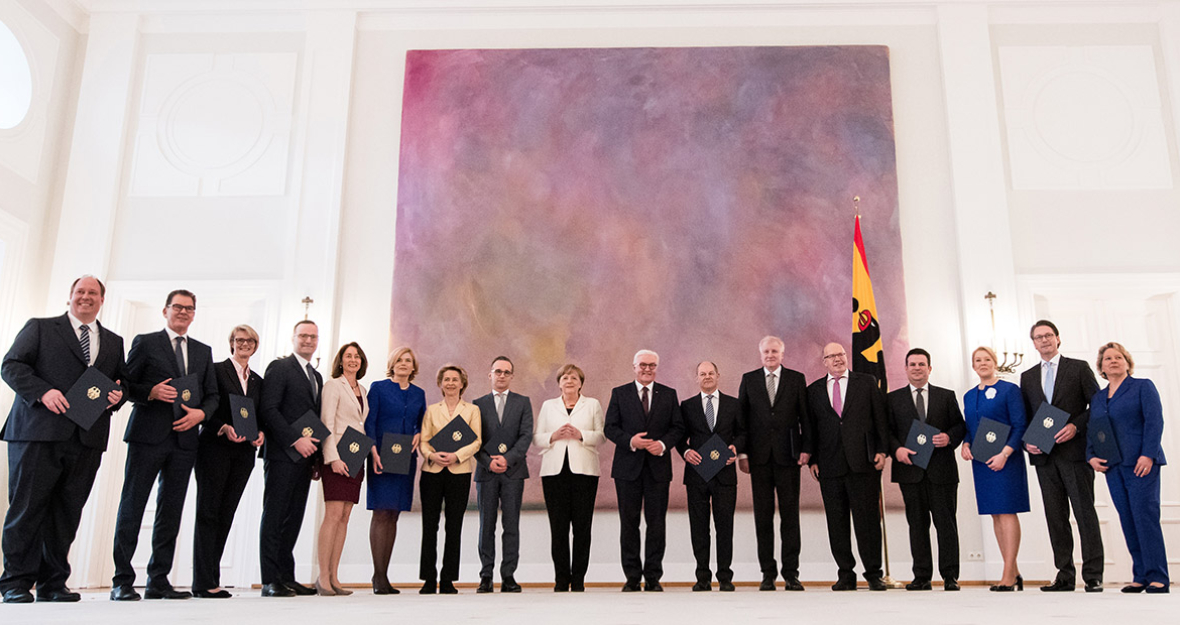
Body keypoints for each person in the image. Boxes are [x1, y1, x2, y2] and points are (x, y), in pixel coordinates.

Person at [0, 276, 126, 604]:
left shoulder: (114, 341)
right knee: (27, 509)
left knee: (67, 512)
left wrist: (118, 395)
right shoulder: (40, 328)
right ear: (70, 296)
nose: (86, 297)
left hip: (86, 436)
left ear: (102, 300)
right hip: (38, 434)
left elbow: (121, 382)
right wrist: (43, 392)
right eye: (80, 292)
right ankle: (15, 582)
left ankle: (53, 583)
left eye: (93, 293)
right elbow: (11, 366)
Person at [111, 289, 218, 601]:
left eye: (189, 308)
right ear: (166, 310)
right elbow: (125, 384)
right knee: (132, 507)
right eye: (178, 307)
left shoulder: (202, 351)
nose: (183, 312)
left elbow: (212, 395)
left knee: (170, 511)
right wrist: (151, 393)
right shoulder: (146, 342)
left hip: (185, 441)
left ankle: (158, 580)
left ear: (194, 314)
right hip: (148, 436)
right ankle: (122, 581)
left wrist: (201, 414)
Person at [1019, 320, 1103, 592]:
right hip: (1045, 458)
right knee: (1056, 517)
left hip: (1075, 454)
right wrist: (1026, 442)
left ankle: (1093, 576)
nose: (1043, 340)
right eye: (1038, 337)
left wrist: (1076, 426)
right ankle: (1065, 575)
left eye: (1048, 336)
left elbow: (1098, 405)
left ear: (1058, 339)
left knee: (1084, 514)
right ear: (1033, 343)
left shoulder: (1078, 368)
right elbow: (1026, 417)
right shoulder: (1028, 376)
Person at [806, 342, 889, 591]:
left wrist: (883, 450)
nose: (837, 359)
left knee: (868, 522)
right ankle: (845, 574)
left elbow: (880, 418)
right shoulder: (814, 391)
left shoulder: (866, 382)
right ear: (824, 362)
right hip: (829, 466)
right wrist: (812, 460)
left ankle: (874, 573)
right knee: (837, 522)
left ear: (846, 356)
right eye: (831, 356)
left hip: (864, 462)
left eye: (840, 354)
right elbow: (810, 429)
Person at [1087, 342, 1169, 594]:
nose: (1113, 361)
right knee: (1128, 518)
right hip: (1113, 467)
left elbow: (1154, 421)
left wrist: (1148, 455)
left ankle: (1158, 577)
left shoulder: (1142, 386)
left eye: (1118, 357)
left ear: (1127, 362)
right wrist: (1090, 456)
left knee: (1145, 517)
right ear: (1101, 366)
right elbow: (1094, 430)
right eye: (1108, 358)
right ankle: (1141, 575)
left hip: (1141, 464)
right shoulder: (1099, 397)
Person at [192, 324, 265, 598]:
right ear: (231, 343)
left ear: (255, 346)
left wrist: (260, 433)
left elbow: (259, 415)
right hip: (214, 448)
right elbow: (204, 406)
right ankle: (202, 582)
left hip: (244, 453)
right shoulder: (215, 370)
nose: (245, 344)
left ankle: (213, 576)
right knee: (208, 512)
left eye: (250, 340)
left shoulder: (257, 380)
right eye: (239, 339)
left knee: (226, 513)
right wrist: (222, 426)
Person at [604, 349, 684, 592]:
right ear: (634, 366)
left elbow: (678, 428)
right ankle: (631, 578)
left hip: (658, 469)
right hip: (627, 470)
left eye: (652, 365)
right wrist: (631, 441)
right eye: (643, 365)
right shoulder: (620, 393)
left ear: (657, 367)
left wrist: (662, 445)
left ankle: (652, 577)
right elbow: (610, 428)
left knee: (656, 523)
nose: (647, 369)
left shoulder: (668, 394)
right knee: (629, 524)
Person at [887, 348, 965, 591]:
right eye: (912, 364)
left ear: (930, 368)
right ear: (906, 368)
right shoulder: (893, 399)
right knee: (917, 525)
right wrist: (897, 450)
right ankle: (921, 576)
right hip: (910, 471)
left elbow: (960, 427)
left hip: (941, 471)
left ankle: (950, 576)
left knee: (946, 524)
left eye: (922, 364)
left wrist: (949, 437)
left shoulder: (946, 396)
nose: (917, 368)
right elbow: (886, 432)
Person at [736, 335, 810, 591]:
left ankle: (791, 574)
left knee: (790, 517)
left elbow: (806, 419)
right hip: (758, 459)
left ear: (782, 353)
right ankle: (768, 573)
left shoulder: (796, 379)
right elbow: (741, 421)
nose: (770, 355)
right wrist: (742, 454)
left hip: (789, 457)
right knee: (763, 517)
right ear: (760, 353)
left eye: (775, 351)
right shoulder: (749, 379)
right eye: (766, 351)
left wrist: (806, 449)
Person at [257, 320, 323, 597]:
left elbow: (316, 420)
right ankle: (270, 579)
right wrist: (295, 440)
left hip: (305, 460)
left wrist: (316, 459)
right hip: (283, 453)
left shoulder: (316, 376)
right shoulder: (280, 367)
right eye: (303, 335)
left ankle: (287, 576)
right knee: (275, 516)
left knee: (294, 517)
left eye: (313, 336)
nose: (308, 340)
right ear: (294, 338)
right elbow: (269, 409)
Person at [961, 345, 1028, 592]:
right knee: (995, 514)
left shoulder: (1009, 390)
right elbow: (970, 427)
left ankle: (1008, 574)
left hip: (1006, 460)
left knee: (1007, 511)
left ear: (995, 361)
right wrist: (966, 443)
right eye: (977, 360)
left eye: (986, 358)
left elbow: (1020, 425)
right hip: (982, 462)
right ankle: (1014, 571)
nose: (982, 363)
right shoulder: (969, 395)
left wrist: (1005, 454)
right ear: (973, 365)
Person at [533, 364, 604, 592]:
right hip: (554, 472)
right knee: (559, 528)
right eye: (565, 378)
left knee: (582, 528)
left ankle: (579, 579)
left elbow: (602, 436)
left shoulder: (591, 404)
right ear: (559, 383)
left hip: (584, 472)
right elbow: (537, 437)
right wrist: (553, 436)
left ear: (581, 383)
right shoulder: (548, 406)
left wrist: (580, 434)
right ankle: (561, 579)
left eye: (574, 378)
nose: (569, 381)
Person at [365, 347, 425, 594]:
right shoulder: (378, 388)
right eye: (399, 359)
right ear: (392, 363)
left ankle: (384, 576)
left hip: (405, 458)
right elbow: (369, 421)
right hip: (381, 455)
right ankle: (378, 577)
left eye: (408, 360)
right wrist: (373, 451)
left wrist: (419, 432)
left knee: (394, 514)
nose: (403, 363)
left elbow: (421, 420)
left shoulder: (419, 393)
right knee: (381, 512)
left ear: (413, 367)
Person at [471, 356, 533, 593]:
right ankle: (486, 575)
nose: (502, 375)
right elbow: (474, 440)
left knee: (511, 525)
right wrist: (488, 461)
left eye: (507, 372)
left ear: (512, 376)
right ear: (490, 375)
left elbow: (526, 436)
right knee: (486, 525)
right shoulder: (477, 404)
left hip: (513, 472)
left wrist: (507, 459)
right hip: (486, 473)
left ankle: (508, 576)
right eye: (498, 371)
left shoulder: (523, 402)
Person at [418, 365, 482, 594]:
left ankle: (447, 579)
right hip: (432, 472)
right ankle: (428, 578)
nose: (451, 383)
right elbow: (424, 441)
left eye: (455, 379)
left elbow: (476, 441)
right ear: (440, 383)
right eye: (446, 379)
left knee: (454, 527)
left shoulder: (472, 410)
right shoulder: (432, 410)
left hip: (459, 472)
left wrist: (457, 455)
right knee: (429, 526)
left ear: (462, 383)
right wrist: (431, 455)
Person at [676, 361, 740, 592]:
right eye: (702, 374)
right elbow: (679, 437)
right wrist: (685, 451)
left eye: (710, 373)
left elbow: (743, 433)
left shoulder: (734, 404)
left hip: (725, 474)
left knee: (725, 527)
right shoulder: (687, 406)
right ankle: (702, 576)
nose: (707, 377)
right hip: (697, 474)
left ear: (718, 375)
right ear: (697, 378)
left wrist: (736, 448)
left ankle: (725, 577)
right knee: (699, 527)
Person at [315, 342, 372, 596]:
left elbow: (360, 424)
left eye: (357, 356)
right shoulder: (333, 386)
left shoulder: (363, 389)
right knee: (333, 515)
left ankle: (335, 576)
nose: (353, 360)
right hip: (337, 457)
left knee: (345, 516)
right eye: (348, 356)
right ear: (340, 361)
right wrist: (332, 458)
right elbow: (325, 423)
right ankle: (323, 577)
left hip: (355, 458)